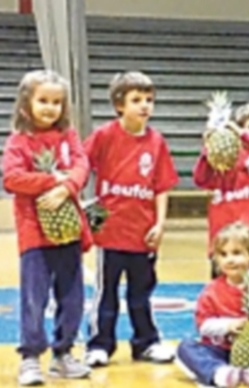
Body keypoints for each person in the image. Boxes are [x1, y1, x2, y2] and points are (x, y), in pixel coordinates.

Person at [83, 71, 179, 367]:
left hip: (143, 232)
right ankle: (100, 345)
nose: (144, 105)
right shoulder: (105, 135)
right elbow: (80, 165)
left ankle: (146, 343)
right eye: (136, 99)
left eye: (149, 100)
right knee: (106, 293)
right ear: (118, 105)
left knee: (141, 294)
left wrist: (160, 223)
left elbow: (161, 187)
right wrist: (80, 204)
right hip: (110, 230)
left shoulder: (157, 142)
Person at [3, 69, 93, 385]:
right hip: (35, 236)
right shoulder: (18, 142)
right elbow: (12, 179)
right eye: (43, 100)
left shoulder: (68, 138)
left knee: (72, 297)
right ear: (26, 104)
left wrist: (66, 188)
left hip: (68, 232)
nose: (50, 108)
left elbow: (82, 166)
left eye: (57, 102)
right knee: (33, 297)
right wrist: (50, 180)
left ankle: (64, 352)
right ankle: (30, 356)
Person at [175, 222, 249, 388]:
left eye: (237, 253)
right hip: (220, 350)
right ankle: (218, 372)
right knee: (186, 347)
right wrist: (228, 325)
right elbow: (203, 326)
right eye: (223, 254)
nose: (230, 260)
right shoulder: (211, 290)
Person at [194, 101, 249, 284]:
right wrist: (209, 147)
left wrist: (242, 134)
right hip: (223, 242)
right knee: (222, 297)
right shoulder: (221, 159)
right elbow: (200, 179)